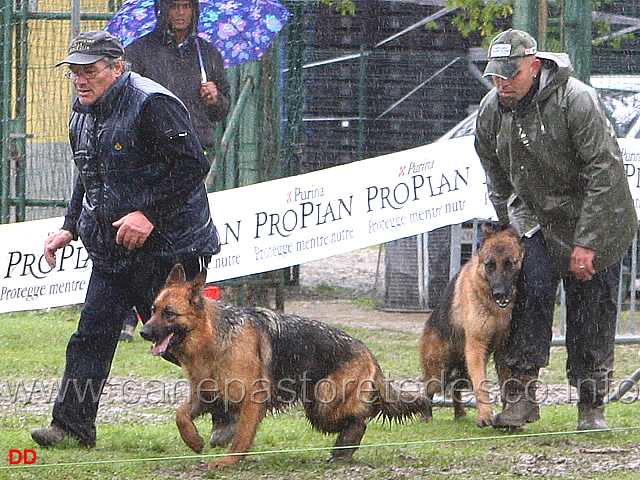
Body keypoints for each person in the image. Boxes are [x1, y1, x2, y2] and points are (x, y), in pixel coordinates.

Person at [31, 30, 220, 448]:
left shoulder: (152, 105)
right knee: (92, 335)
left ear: (117, 69)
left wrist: (148, 213)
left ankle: (230, 409)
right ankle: (70, 427)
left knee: (184, 342)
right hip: (114, 248)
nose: (81, 80)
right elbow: (88, 173)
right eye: (75, 72)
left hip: (171, 248)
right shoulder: (82, 111)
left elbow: (193, 166)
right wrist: (69, 224)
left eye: (91, 71)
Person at [474, 29, 637, 431]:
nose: (502, 83)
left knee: (591, 312)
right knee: (527, 295)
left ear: (534, 65)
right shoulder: (492, 109)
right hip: (537, 222)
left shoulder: (576, 99)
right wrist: (509, 228)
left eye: (510, 74)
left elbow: (605, 171)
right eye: (495, 75)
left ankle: (591, 406)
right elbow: (494, 171)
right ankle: (520, 397)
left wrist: (588, 242)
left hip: (595, 216)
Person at [120, 0, 231, 343]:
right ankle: (130, 315)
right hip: (151, 158)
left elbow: (222, 108)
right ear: (162, 11)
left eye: (186, 6)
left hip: (194, 157)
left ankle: (190, 318)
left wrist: (214, 98)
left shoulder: (207, 54)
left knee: (190, 240)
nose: (180, 13)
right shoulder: (140, 52)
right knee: (142, 238)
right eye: (174, 6)